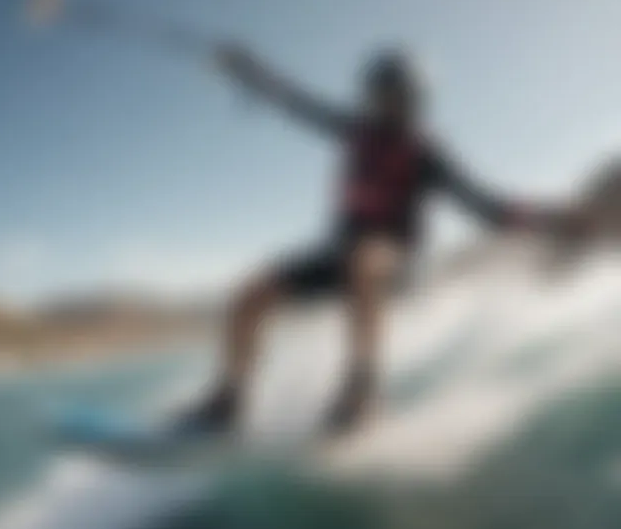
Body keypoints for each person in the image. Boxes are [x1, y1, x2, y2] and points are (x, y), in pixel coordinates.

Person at [181, 44, 590, 435]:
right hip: (342, 257)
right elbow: (294, 101)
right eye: (379, 95)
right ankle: (229, 400)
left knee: (366, 257)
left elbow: (487, 209)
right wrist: (245, 67)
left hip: (398, 265)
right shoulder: (356, 130)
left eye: (396, 96)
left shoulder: (427, 152)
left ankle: (363, 388)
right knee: (248, 295)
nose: (386, 104)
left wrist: (550, 219)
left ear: (414, 99)